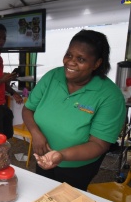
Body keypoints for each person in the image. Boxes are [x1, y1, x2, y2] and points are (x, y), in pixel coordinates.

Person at [22, 29, 126, 191]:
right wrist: (36, 134)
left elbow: (99, 144)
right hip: (43, 156)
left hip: (77, 168)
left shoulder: (110, 96)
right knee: (42, 195)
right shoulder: (52, 77)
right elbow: (28, 109)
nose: (70, 62)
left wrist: (61, 155)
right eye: (69, 55)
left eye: (81, 59)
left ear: (97, 63)